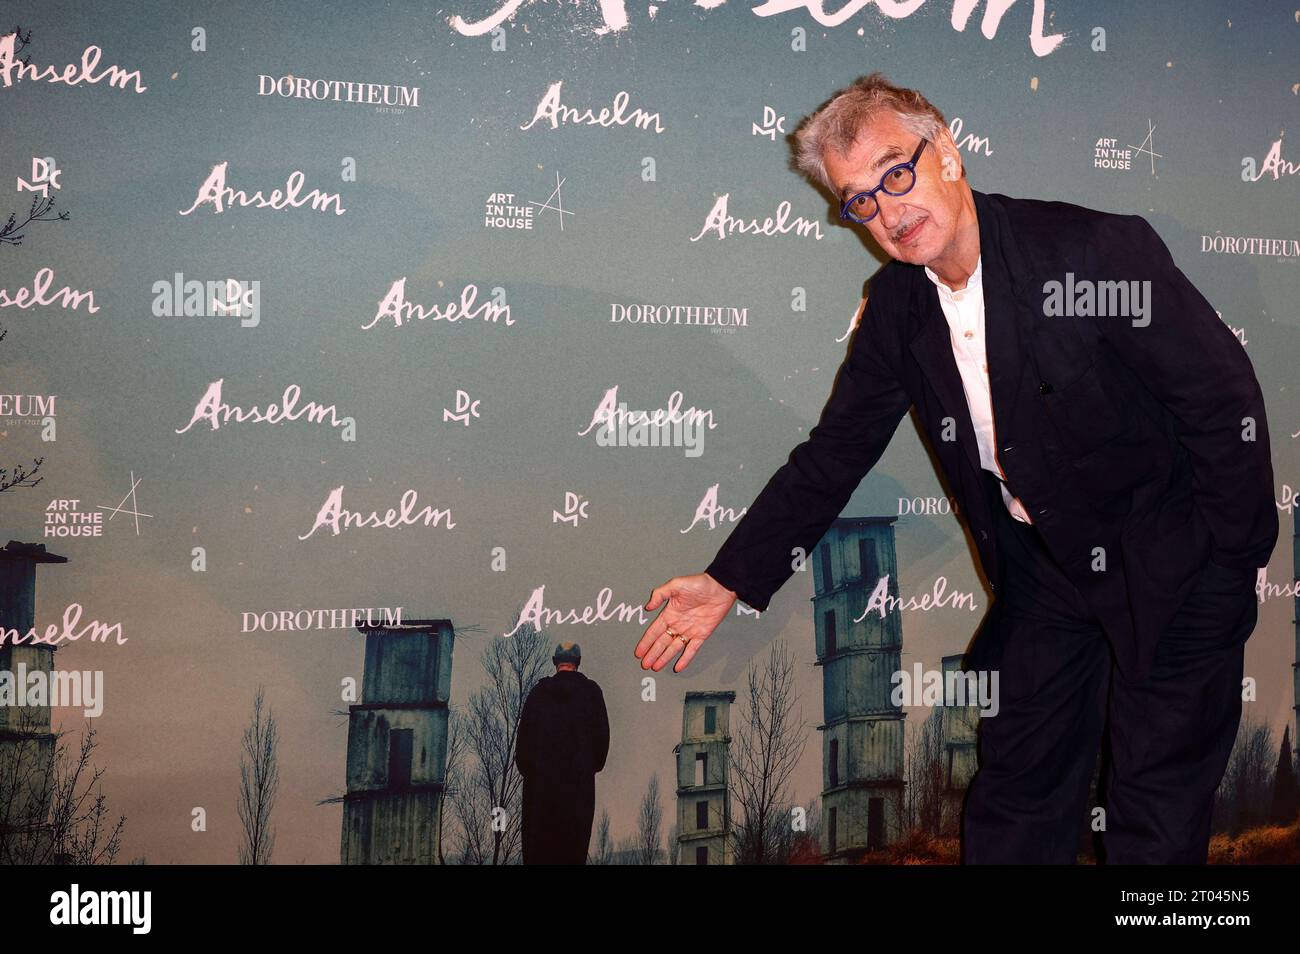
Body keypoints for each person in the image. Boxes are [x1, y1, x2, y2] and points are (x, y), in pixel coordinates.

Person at [634, 72, 1277, 864]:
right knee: (1013, 807)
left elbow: (1223, 400)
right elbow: (834, 454)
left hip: (1168, 560)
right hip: (1044, 579)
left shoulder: (1091, 252)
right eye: (859, 201)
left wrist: (1226, 562)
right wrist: (729, 579)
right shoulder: (898, 310)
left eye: (895, 174)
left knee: (1155, 820)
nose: (887, 211)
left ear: (950, 154)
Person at [515, 642, 610, 864]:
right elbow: (601, 745)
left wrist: (534, 774)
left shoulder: (538, 694)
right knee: (573, 852)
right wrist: (586, 768)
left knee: (539, 853)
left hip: (540, 794)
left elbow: (522, 749)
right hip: (578, 792)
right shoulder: (592, 693)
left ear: (554, 662)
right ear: (578, 662)